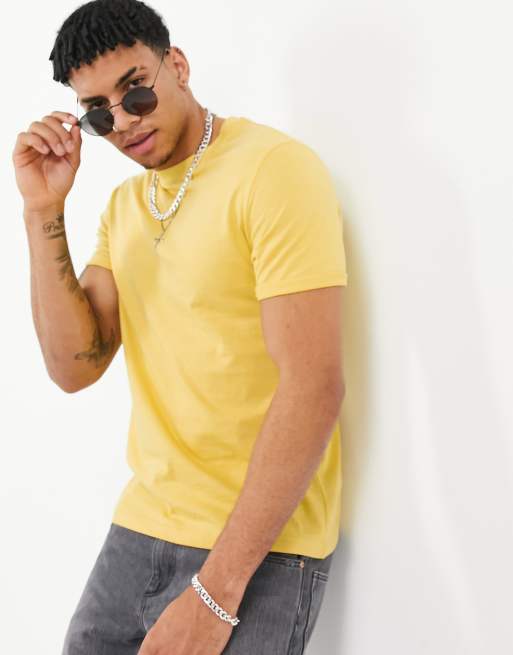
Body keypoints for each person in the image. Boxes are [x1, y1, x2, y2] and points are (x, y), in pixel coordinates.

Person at [12, 0, 349, 653]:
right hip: (140, 528)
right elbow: (74, 366)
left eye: (135, 90)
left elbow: (313, 387)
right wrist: (41, 210)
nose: (124, 121)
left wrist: (215, 592)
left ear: (178, 66)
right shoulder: (125, 205)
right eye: (99, 112)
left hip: (259, 546)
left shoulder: (272, 171)